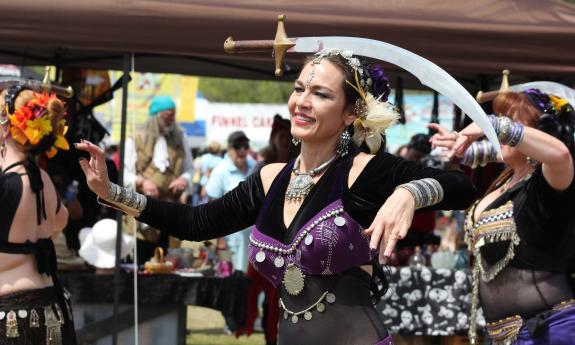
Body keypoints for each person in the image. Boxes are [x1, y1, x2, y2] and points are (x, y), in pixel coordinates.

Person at [76, 48, 476, 345]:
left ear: (351, 113)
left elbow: (462, 189)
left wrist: (409, 192)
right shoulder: (269, 178)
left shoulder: (366, 171)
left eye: (320, 94)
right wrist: (109, 191)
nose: (302, 101)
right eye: (300, 88)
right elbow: (195, 224)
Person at [429, 88, 575, 344]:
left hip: (549, 330)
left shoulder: (548, 180)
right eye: (500, 119)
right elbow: (499, 153)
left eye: (512, 122)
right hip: (501, 335)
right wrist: (464, 148)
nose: (501, 130)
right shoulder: (505, 179)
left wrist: (497, 124)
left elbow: (560, 154)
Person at [0, 85, 77, 344]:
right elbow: (61, 220)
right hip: (51, 306)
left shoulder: (7, 183)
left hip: (10, 314)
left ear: (4, 128)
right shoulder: (45, 180)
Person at [238, 114, 298, 345]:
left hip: (291, 240)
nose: (284, 140)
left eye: (288, 137)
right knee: (260, 292)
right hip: (265, 238)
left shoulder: (301, 164)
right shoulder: (263, 167)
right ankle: (268, 338)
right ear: (273, 139)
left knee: (283, 296)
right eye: (281, 136)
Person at [123, 95, 194, 264]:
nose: (171, 119)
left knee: (167, 260)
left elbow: (190, 168)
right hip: (143, 210)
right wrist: (142, 182)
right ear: (156, 115)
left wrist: (183, 180)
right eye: (167, 115)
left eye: (173, 115)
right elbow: (125, 174)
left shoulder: (180, 137)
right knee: (142, 260)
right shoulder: (136, 137)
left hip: (171, 210)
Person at [205, 131, 256, 272]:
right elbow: (212, 208)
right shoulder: (220, 171)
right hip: (232, 238)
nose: (242, 150)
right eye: (237, 146)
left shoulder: (254, 167)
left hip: (256, 237)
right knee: (234, 277)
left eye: (245, 146)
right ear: (229, 149)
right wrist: (220, 241)